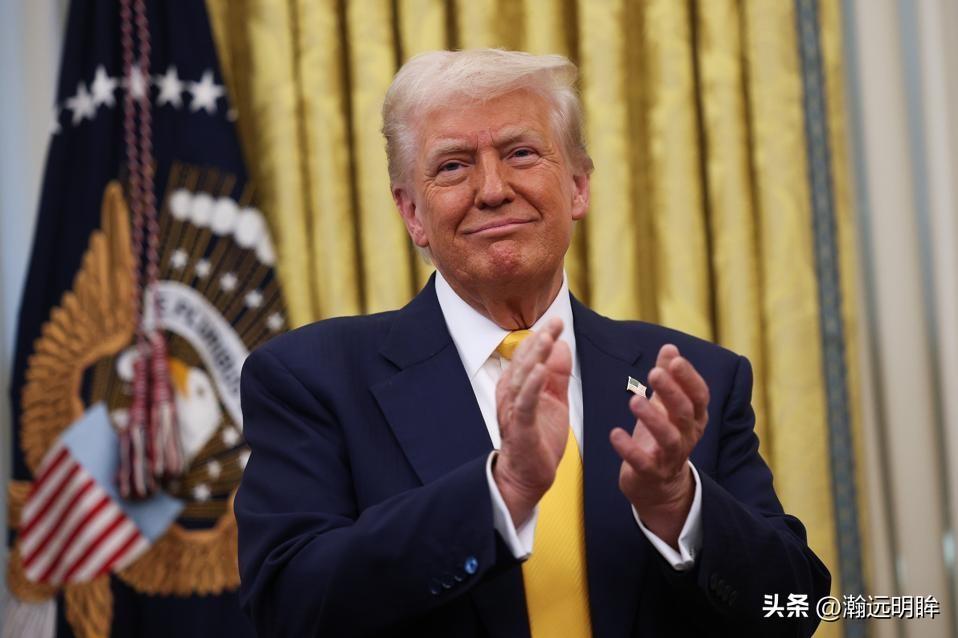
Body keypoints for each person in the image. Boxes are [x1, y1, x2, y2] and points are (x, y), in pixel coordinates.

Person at [235, 49, 830, 637]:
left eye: (521, 153)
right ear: (412, 211)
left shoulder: (693, 377)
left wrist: (678, 503)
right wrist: (502, 492)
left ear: (578, 186)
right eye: (453, 166)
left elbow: (793, 607)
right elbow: (289, 608)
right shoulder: (312, 379)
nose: (493, 189)